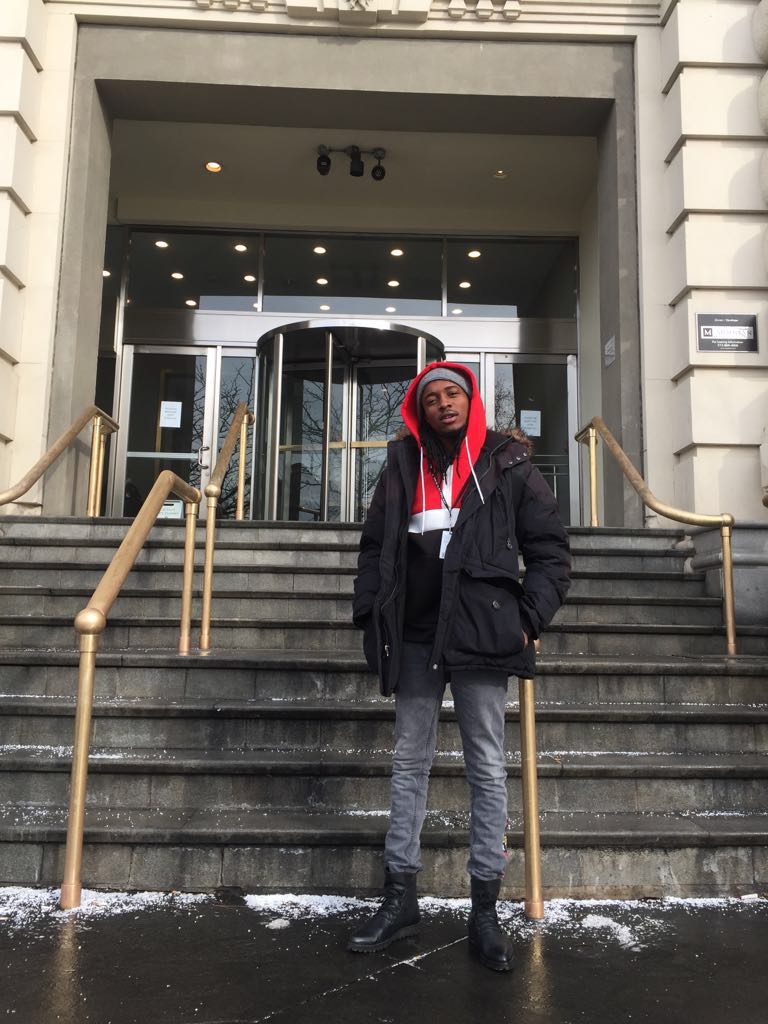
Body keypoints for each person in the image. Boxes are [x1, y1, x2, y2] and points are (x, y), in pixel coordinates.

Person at [348, 362, 570, 972]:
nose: (444, 403)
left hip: (482, 631)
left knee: (487, 767)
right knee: (408, 761)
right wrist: (369, 611)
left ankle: (484, 911)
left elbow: (550, 550)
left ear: (470, 401)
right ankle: (400, 897)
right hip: (414, 632)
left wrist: (529, 618)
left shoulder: (506, 461)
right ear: (417, 410)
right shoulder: (401, 463)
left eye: (453, 394)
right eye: (432, 398)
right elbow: (375, 546)